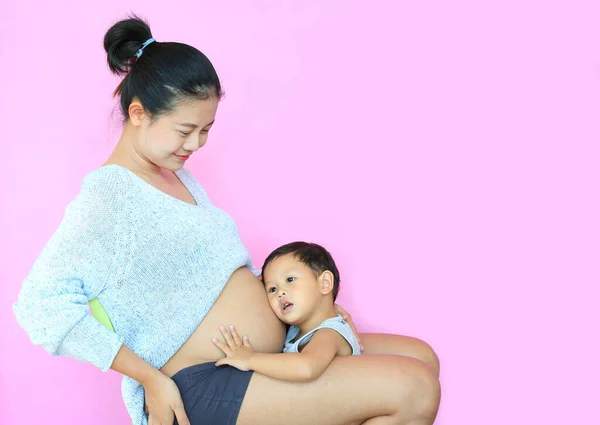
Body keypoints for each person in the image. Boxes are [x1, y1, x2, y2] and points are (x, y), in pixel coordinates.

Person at [13, 15, 441, 425]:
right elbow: (40, 306)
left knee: (424, 357)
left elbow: (212, 277)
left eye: (206, 130)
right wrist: (148, 377)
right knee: (414, 387)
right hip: (204, 382)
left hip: (272, 350)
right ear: (140, 114)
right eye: (185, 131)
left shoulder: (178, 178)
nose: (196, 144)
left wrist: (311, 309)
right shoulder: (108, 199)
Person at [212, 242, 362, 382]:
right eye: (272, 289)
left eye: (290, 279)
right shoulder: (296, 331)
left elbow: (307, 367)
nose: (280, 293)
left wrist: (249, 359)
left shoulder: (330, 332)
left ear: (325, 283)